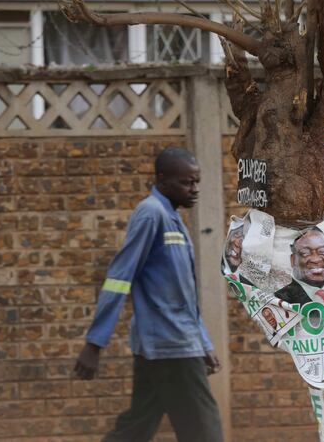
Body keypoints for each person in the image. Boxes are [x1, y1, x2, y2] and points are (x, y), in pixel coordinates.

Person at [73, 148, 223, 442]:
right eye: (186, 183)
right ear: (162, 180)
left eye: (196, 182)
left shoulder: (173, 218)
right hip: (171, 345)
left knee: (135, 430)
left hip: (169, 343)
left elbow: (182, 296)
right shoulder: (151, 214)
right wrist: (94, 343)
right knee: (204, 432)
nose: (194, 190)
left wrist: (203, 342)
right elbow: (119, 278)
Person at [275, 227, 324, 304]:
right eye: (305, 253)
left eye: (322, 251)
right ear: (293, 260)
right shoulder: (279, 300)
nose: (315, 259)